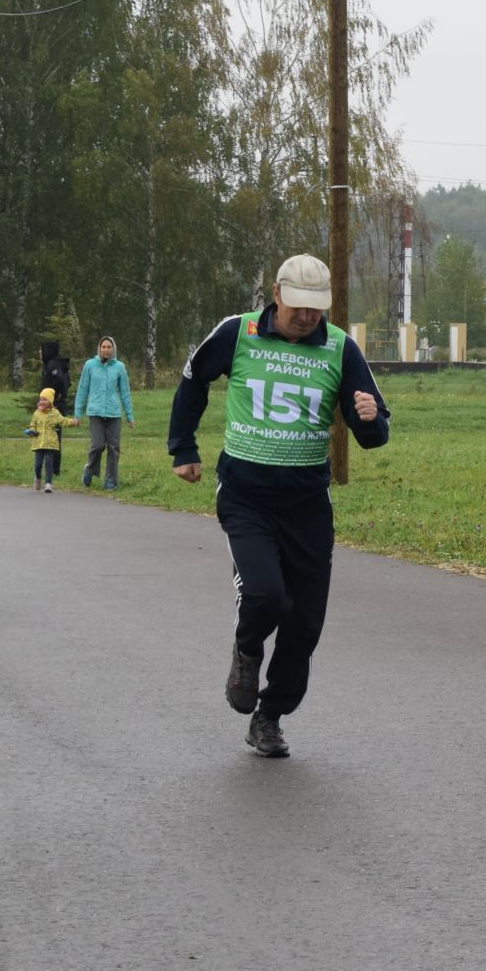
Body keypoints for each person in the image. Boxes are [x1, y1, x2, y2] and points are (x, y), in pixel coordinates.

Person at [168, 254, 390, 758]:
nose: (307, 317)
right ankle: (247, 650)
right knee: (266, 595)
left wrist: (371, 419)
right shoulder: (239, 332)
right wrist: (183, 446)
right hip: (247, 494)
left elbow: (373, 434)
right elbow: (192, 379)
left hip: (308, 504)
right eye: (298, 306)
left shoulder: (340, 349)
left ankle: (270, 716)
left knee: (304, 626)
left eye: (316, 308)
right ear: (276, 293)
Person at [75, 335, 134, 490]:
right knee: (98, 445)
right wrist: (78, 414)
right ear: (99, 348)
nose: (106, 350)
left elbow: (125, 392)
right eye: (103, 347)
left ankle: (111, 481)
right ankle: (90, 469)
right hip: (95, 412)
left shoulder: (119, 367)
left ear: (113, 349)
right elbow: (82, 390)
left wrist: (130, 415)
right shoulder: (90, 365)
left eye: (109, 347)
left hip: (114, 413)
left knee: (114, 447)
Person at [25, 387, 78, 492]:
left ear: (50, 401)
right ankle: (38, 478)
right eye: (41, 399)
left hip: (51, 443)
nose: (42, 402)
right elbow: (33, 425)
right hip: (38, 443)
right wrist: (32, 431)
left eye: (45, 399)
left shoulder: (55, 413)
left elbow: (63, 421)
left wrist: (73, 422)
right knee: (38, 464)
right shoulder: (36, 413)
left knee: (49, 463)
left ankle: (48, 483)